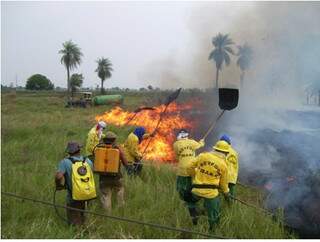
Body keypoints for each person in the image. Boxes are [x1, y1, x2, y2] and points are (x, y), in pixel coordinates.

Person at [188, 140, 230, 232]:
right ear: (225, 152)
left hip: (196, 190)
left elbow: (190, 166)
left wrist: (194, 176)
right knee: (214, 213)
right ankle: (213, 230)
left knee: (191, 203)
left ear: (215, 149)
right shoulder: (223, 165)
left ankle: (194, 217)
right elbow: (223, 184)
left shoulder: (203, 155)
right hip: (211, 193)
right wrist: (227, 194)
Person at [55, 141, 95, 225]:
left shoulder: (65, 162)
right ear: (79, 150)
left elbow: (58, 176)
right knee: (85, 217)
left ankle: (78, 234)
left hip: (73, 197)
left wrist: (59, 185)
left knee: (74, 222)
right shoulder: (87, 161)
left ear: (69, 151)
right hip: (88, 194)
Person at [173, 129, 205, 220]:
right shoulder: (192, 142)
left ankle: (185, 202)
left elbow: (176, 156)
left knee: (181, 187)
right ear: (187, 135)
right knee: (193, 186)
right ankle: (193, 202)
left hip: (182, 170)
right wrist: (201, 142)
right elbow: (200, 145)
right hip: (192, 169)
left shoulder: (176, 144)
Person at [95, 131, 129, 212]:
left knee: (106, 196)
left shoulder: (99, 148)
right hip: (116, 178)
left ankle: (108, 215)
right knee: (120, 190)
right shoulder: (117, 149)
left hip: (103, 179)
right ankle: (121, 209)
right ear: (114, 140)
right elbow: (125, 162)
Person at [220, 134, 239, 198]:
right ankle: (230, 206)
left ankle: (224, 207)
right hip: (232, 177)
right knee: (231, 195)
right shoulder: (234, 152)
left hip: (224, 176)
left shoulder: (220, 150)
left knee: (221, 193)